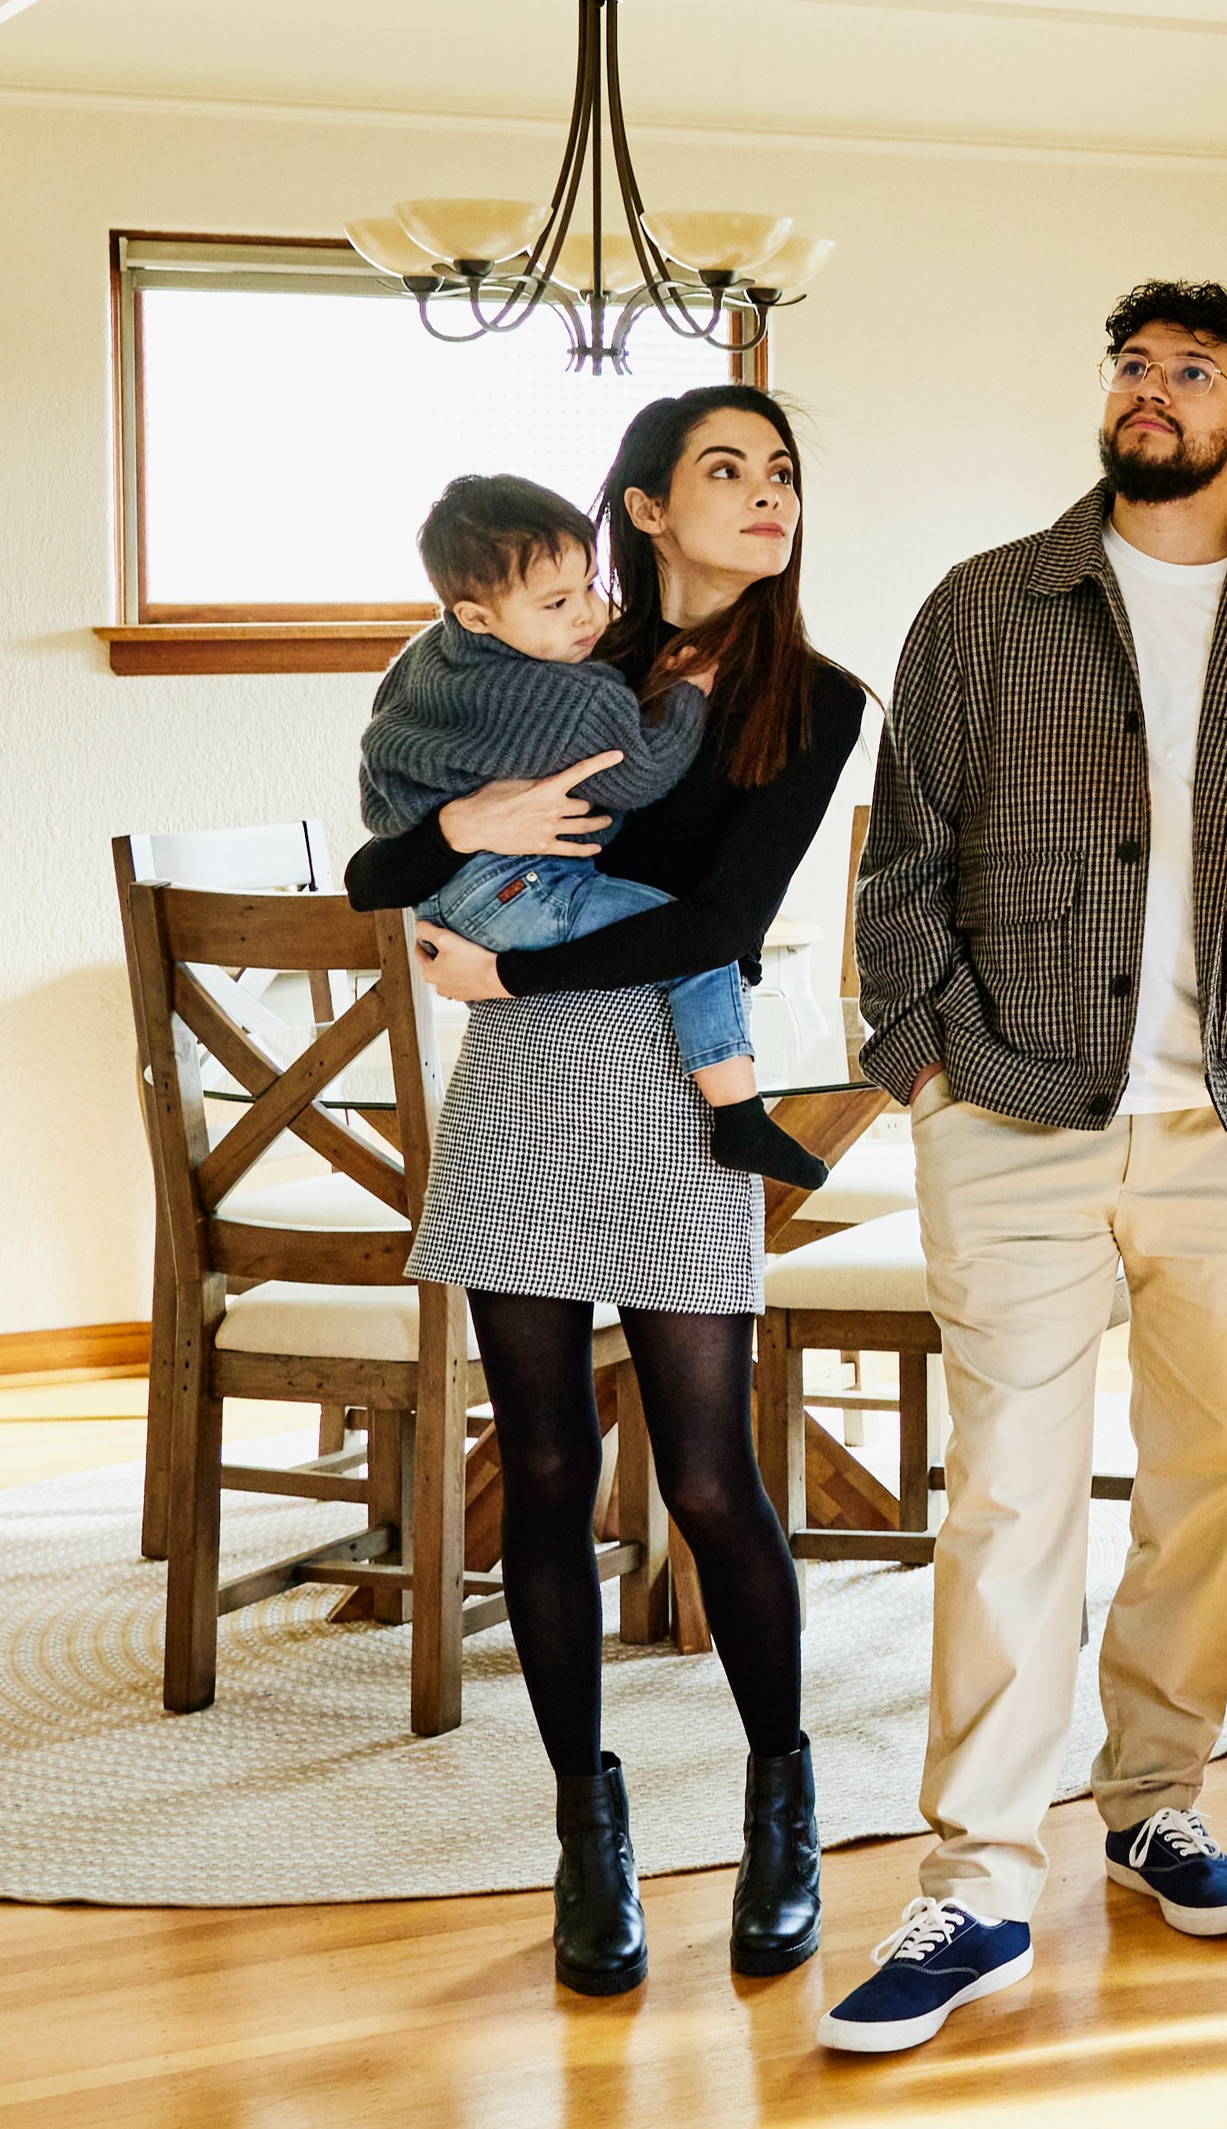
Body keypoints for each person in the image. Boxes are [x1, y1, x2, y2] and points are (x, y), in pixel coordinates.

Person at [823, 281, 1227, 2053]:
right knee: (1007, 1495)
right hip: (1012, 1107)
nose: (1147, 393)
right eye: (1132, 366)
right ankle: (976, 1882)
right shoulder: (985, 605)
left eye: (1190, 376)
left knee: (1213, 1479)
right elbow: (900, 852)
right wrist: (921, 1061)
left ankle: (1154, 1792)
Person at [344, 386, 868, 1998]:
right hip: (520, 1113)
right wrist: (462, 823)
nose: (766, 493)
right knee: (551, 1471)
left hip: (666, 1091)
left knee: (711, 1479)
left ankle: (782, 1794)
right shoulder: (557, 655)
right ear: (641, 507)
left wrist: (497, 969)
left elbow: (721, 915)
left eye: (783, 469)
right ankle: (589, 1821)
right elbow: (374, 878)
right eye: (727, 468)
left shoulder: (818, 697)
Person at [356, 473, 826, 1189]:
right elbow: (639, 776)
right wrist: (685, 702)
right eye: (557, 602)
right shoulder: (567, 690)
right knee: (702, 954)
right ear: (647, 509)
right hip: (521, 908)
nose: (588, 615)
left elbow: (382, 828)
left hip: (466, 911)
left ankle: (737, 1120)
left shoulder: (429, 660)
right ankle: (739, 1116)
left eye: (587, 587)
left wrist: (493, 957)